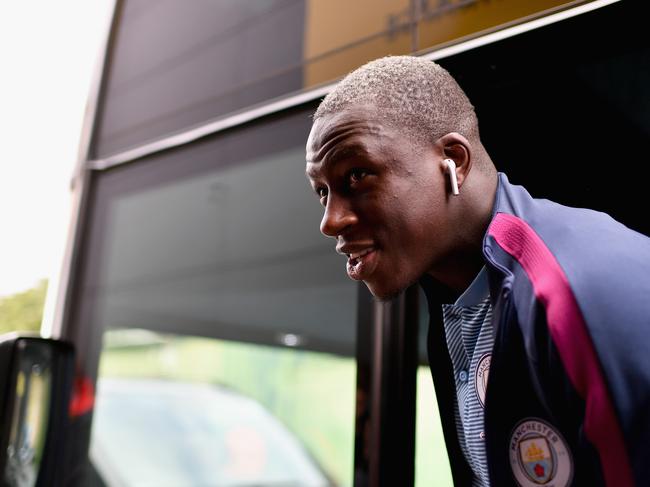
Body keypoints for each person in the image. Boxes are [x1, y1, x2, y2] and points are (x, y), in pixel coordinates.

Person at [305, 55, 650, 487]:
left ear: (454, 160)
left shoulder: (578, 288)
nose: (330, 221)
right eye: (322, 192)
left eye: (357, 175)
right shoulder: (457, 300)